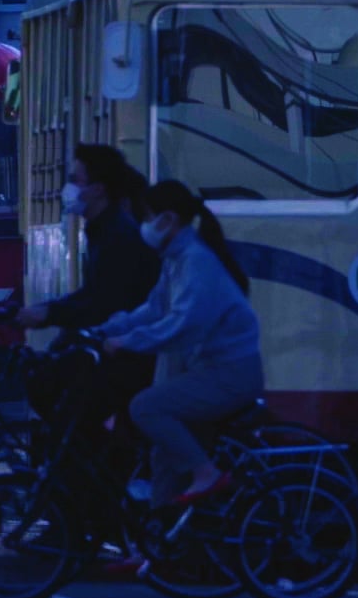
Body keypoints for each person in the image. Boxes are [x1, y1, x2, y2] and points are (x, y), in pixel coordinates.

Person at [95, 179, 262, 507]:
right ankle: (159, 547)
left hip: (229, 375)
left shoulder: (195, 261)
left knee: (145, 408)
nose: (143, 226)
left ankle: (206, 473)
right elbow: (155, 308)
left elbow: (182, 324)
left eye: (147, 217)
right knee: (165, 455)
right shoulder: (177, 258)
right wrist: (110, 327)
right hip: (209, 372)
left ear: (167, 220)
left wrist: (128, 341)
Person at [14, 144, 164, 483]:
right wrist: (49, 313)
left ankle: (93, 497)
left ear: (98, 189)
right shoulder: (102, 231)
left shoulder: (117, 236)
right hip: (121, 346)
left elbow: (104, 303)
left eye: (75, 180)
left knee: (71, 413)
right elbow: (94, 296)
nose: (69, 188)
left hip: (132, 354)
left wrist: (49, 314)